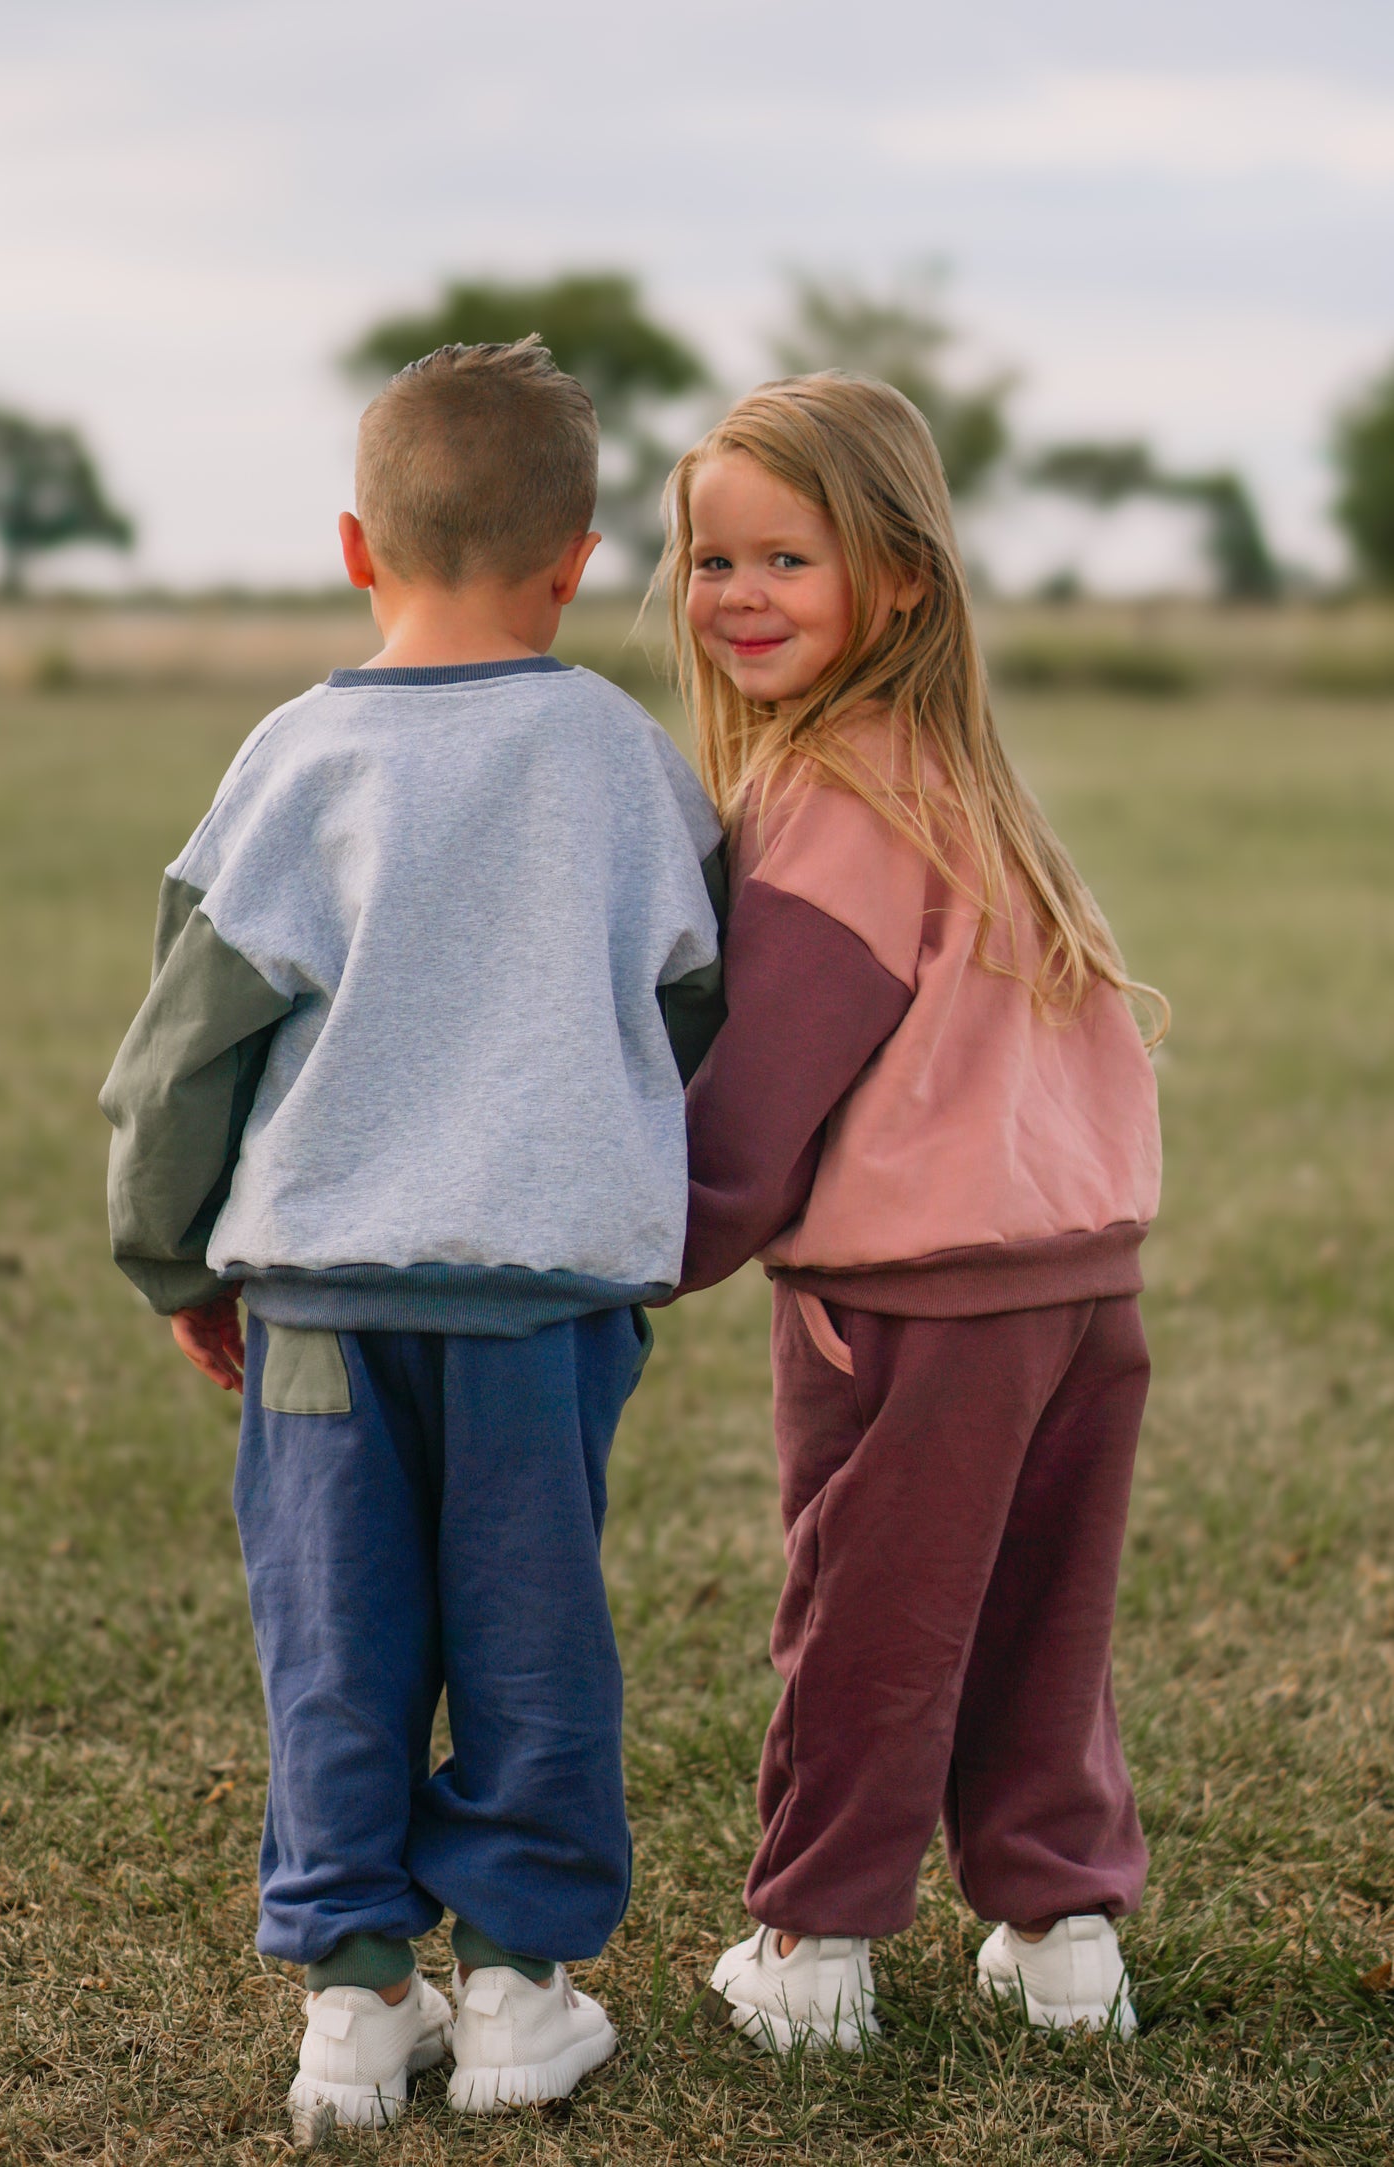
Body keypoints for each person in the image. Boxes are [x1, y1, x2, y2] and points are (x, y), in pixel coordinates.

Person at [100, 339, 724, 2139]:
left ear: (359, 548)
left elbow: (181, 1052)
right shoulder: (622, 760)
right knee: (533, 1635)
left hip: (310, 1300)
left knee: (336, 1637)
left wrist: (171, 1260)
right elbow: (690, 1003)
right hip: (538, 1303)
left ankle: (358, 2000)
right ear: (577, 562)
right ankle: (524, 1989)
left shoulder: (295, 761)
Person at [657, 372, 1164, 2050]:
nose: (735, 595)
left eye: (784, 560)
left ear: (900, 580)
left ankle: (811, 1955)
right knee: (1037, 1615)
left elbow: (757, 1104)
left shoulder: (828, 796)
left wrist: (645, 1250)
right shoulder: (963, 779)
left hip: (910, 1303)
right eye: (710, 560)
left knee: (867, 1623)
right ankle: (1062, 1928)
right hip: (1078, 1291)